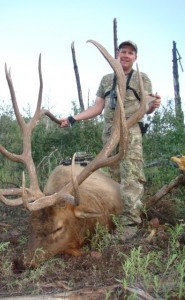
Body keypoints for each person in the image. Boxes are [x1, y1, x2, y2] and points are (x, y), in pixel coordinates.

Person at [60, 41, 161, 240]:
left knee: (131, 177)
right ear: (117, 54)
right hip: (109, 136)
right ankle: (115, 220)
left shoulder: (141, 78)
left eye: (130, 53)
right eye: (123, 51)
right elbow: (97, 108)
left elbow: (147, 105)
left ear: (135, 57)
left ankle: (130, 225)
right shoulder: (107, 80)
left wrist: (154, 104)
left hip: (130, 135)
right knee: (114, 180)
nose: (126, 55)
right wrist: (73, 119)